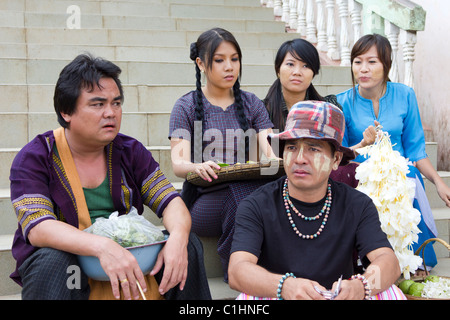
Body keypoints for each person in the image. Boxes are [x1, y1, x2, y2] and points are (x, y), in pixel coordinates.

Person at [9, 53, 211, 300]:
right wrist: (103, 247)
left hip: (131, 258)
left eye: (116, 103)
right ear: (66, 111)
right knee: (52, 260)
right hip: (72, 264)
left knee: (187, 244)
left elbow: (170, 201)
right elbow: (38, 228)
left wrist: (178, 239)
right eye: (98, 104)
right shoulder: (36, 157)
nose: (111, 113)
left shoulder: (129, 150)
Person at [228, 101, 405, 300]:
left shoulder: (357, 204)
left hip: (339, 297)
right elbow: (237, 270)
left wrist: (360, 287)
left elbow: (388, 261)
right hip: (279, 294)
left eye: (313, 149)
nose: (300, 158)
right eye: (292, 147)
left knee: (390, 293)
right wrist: (285, 286)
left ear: (336, 159)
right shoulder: (257, 204)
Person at [169, 28, 278, 281]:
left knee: (251, 194)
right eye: (219, 60)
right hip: (206, 201)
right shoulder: (185, 106)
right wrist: (196, 166)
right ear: (201, 63)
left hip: (249, 194)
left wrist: (272, 160)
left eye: (234, 59)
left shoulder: (252, 103)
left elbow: (271, 154)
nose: (229, 67)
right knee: (240, 196)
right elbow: (178, 163)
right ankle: (240, 273)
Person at [337, 34, 450, 272]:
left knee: (407, 179)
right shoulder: (343, 102)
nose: (363, 69)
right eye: (358, 62)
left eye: (372, 62)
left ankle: (408, 262)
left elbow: (416, 150)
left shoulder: (405, 95)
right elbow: (341, 155)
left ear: (386, 64)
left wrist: (439, 182)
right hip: (362, 179)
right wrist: (363, 143)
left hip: (402, 178)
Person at [262, 38, 361, 187]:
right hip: (271, 184)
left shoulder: (329, 108)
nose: (297, 72)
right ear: (278, 69)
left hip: (318, 185)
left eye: (306, 66)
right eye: (290, 64)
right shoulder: (261, 110)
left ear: (313, 73)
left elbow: (334, 156)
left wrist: (363, 144)